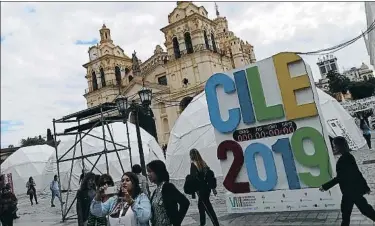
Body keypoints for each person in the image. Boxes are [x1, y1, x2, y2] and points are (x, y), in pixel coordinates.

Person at [320, 136, 375, 226]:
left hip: (351, 192)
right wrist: (366, 187)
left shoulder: (345, 159)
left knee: (363, 211)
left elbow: (341, 177)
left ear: (339, 146)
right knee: (354, 212)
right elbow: (357, 173)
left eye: (334, 145)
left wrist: (325, 186)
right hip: (351, 191)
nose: (333, 147)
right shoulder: (348, 157)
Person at [147, 160, 190, 226]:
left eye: (150, 171)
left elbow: (185, 202)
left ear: (158, 171)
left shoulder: (167, 187)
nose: (148, 174)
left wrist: (176, 222)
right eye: (148, 172)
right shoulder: (156, 191)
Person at [189, 149, 219, 226]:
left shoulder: (193, 165)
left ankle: (216, 223)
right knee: (201, 206)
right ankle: (202, 223)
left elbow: (193, 179)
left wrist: (193, 193)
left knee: (207, 207)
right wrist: (213, 188)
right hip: (207, 188)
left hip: (200, 189)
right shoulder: (203, 163)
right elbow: (210, 175)